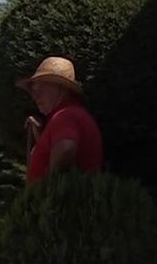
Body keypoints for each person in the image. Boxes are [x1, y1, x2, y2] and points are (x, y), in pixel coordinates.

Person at [18, 56, 104, 185]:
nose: (35, 96)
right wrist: (40, 136)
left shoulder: (65, 115)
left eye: (41, 87)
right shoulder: (70, 115)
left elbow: (66, 148)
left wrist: (47, 191)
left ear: (63, 89)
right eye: (34, 90)